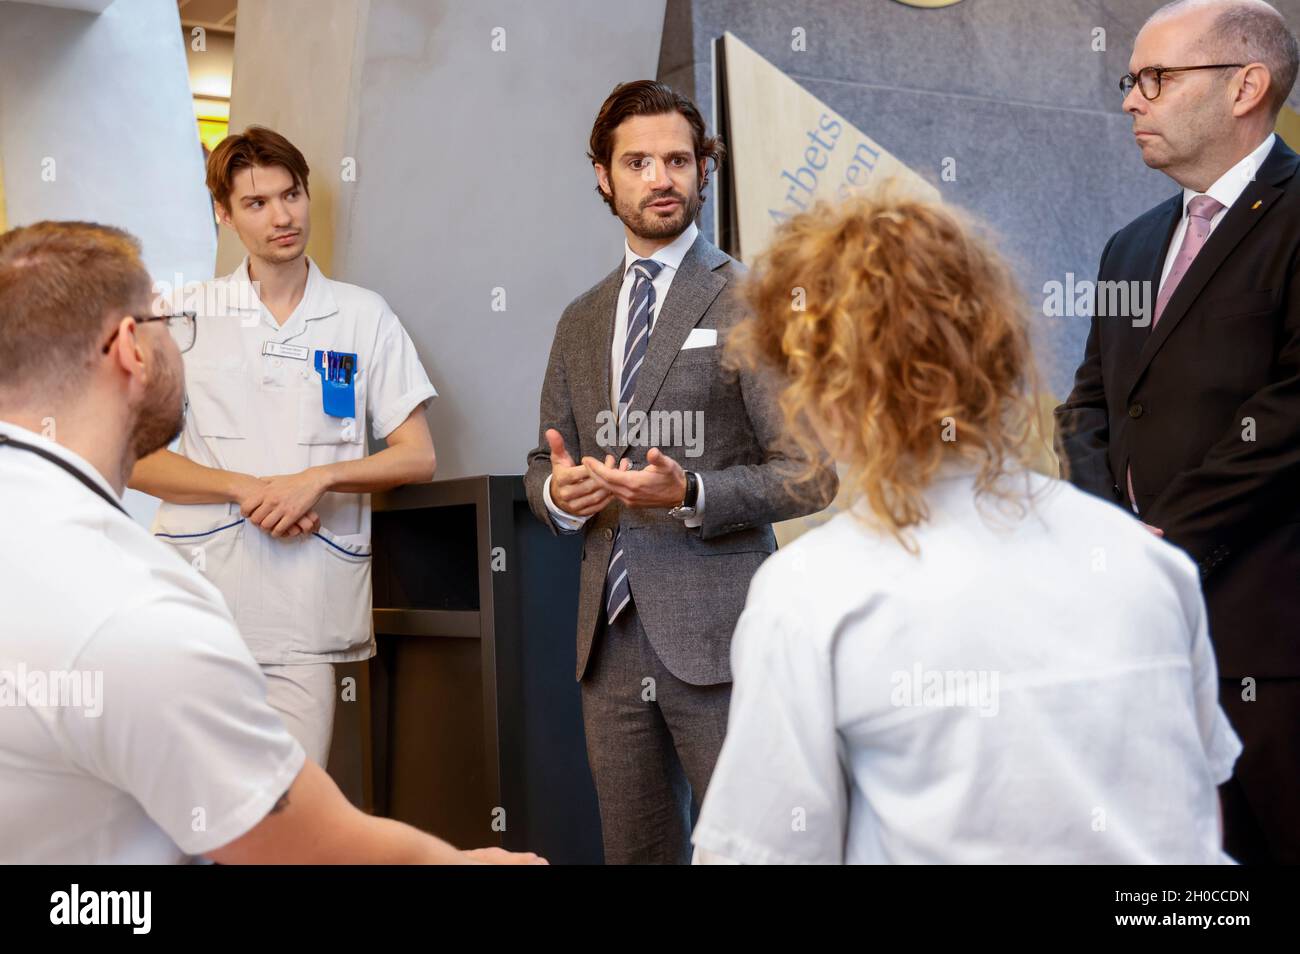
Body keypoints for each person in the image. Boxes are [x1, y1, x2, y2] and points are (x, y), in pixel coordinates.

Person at [692, 194, 1240, 864]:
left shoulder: (810, 597)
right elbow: (1198, 818)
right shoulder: (1151, 566)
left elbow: (762, 856)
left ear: (822, 386)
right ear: (999, 348)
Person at [0, 220, 541, 864]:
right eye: (161, 322)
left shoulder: (48, 539)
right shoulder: (138, 609)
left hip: (300, 605)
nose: (177, 335)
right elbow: (301, 847)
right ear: (129, 349)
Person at [523, 80, 836, 864]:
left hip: (722, 636)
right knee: (635, 853)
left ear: (704, 170)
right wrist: (559, 496)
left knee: (758, 852)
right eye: (638, 162)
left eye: (677, 159)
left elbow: (813, 473)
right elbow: (542, 462)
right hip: (610, 638)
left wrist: (691, 492)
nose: (661, 177)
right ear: (604, 176)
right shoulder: (582, 317)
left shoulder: (754, 299)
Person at [1054, 0, 1300, 863]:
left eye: (1155, 79)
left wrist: (1167, 538)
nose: (1131, 100)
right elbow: (1089, 405)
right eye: (1132, 80)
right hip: (1142, 643)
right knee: (1174, 892)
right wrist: (1110, 534)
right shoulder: (1131, 244)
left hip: (1270, 644)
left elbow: (1291, 409)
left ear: (1246, 86)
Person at [129, 126, 438, 767]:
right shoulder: (182, 315)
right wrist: (248, 488)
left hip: (306, 604)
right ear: (224, 213)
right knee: (188, 803)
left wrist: (316, 480)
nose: (281, 217)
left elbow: (417, 455)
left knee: (292, 801)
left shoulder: (361, 315)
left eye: (290, 195)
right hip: (198, 600)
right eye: (256, 203)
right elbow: (134, 460)